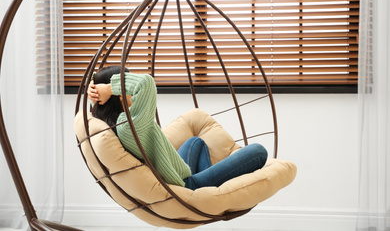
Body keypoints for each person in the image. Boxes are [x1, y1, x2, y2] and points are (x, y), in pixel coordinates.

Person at [88, 66, 268, 190]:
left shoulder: (115, 122)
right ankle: (207, 191)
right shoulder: (129, 126)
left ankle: (209, 181)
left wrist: (97, 91)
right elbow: (146, 83)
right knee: (259, 151)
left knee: (195, 142)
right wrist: (111, 88)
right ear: (118, 94)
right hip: (185, 186)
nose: (129, 87)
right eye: (125, 83)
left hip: (177, 173)